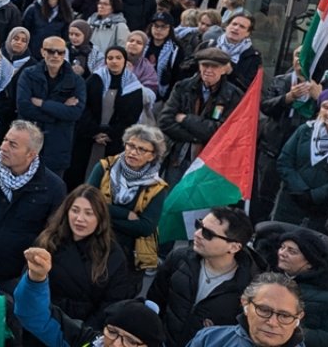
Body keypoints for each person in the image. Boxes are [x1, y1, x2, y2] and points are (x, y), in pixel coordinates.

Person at [0, 120, 67, 292]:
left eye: (13, 145)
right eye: (4, 140)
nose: (3, 147)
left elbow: (51, 236)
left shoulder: (53, 187)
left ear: (30, 154)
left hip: (15, 277)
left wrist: (28, 273)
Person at [147, 206, 258, 347]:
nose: (197, 234)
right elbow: (154, 303)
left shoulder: (251, 286)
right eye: (198, 225)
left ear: (234, 247)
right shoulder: (179, 259)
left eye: (208, 233)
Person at [14, 246, 167, 347]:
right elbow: (36, 316)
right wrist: (36, 278)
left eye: (131, 341)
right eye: (112, 332)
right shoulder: (83, 340)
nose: (116, 344)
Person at [33, 184, 136, 328]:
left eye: (89, 213)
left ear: (100, 218)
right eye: (75, 211)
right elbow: (31, 283)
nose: (79, 219)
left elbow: (112, 304)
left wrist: (84, 335)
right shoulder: (48, 241)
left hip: (83, 328)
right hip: (42, 319)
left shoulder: (113, 255)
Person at [87, 125, 169, 272]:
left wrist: (102, 216)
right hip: (92, 240)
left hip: (127, 252)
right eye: (130, 145)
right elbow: (88, 202)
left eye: (141, 149)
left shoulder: (157, 187)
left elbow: (145, 228)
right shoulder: (104, 168)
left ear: (152, 156)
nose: (133, 152)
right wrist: (126, 215)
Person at [158, 47, 245, 185]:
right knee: (169, 198)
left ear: (224, 69)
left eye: (214, 66)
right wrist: (197, 137)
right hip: (177, 156)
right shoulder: (183, 87)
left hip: (209, 161)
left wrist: (186, 119)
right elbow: (165, 121)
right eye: (205, 65)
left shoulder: (233, 95)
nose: (208, 70)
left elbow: (223, 131)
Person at [69, 47, 148, 187]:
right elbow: (83, 107)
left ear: (125, 61)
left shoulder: (133, 85)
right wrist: (95, 132)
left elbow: (131, 117)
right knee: (81, 176)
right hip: (89, 138)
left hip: (114, 140)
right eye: (110, 58)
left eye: (118, 58)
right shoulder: (95, 79)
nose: (114, 61)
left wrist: (110, 134)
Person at [273, 88, 328, 233]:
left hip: (323, 208)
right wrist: (300, 190)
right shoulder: (305, 130)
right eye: (325, 107)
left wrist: (315, 195)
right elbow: (285, 161)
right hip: (291, 201)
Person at [16, 36, 87, 175]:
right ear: (43, 52)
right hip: (29, 141)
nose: (55, 55)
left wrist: (42, 103)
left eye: (60, 52)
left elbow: (75, 113)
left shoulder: (76, 81)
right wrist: (59, 111)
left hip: (58, 144)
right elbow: (24, 107)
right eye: (51, 51)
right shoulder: (28, 74)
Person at [184, 272, 305, 347]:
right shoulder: (210, 339)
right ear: (245, 303)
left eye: (284, 316)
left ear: (298, 317)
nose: (272, 322)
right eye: (264, 310)